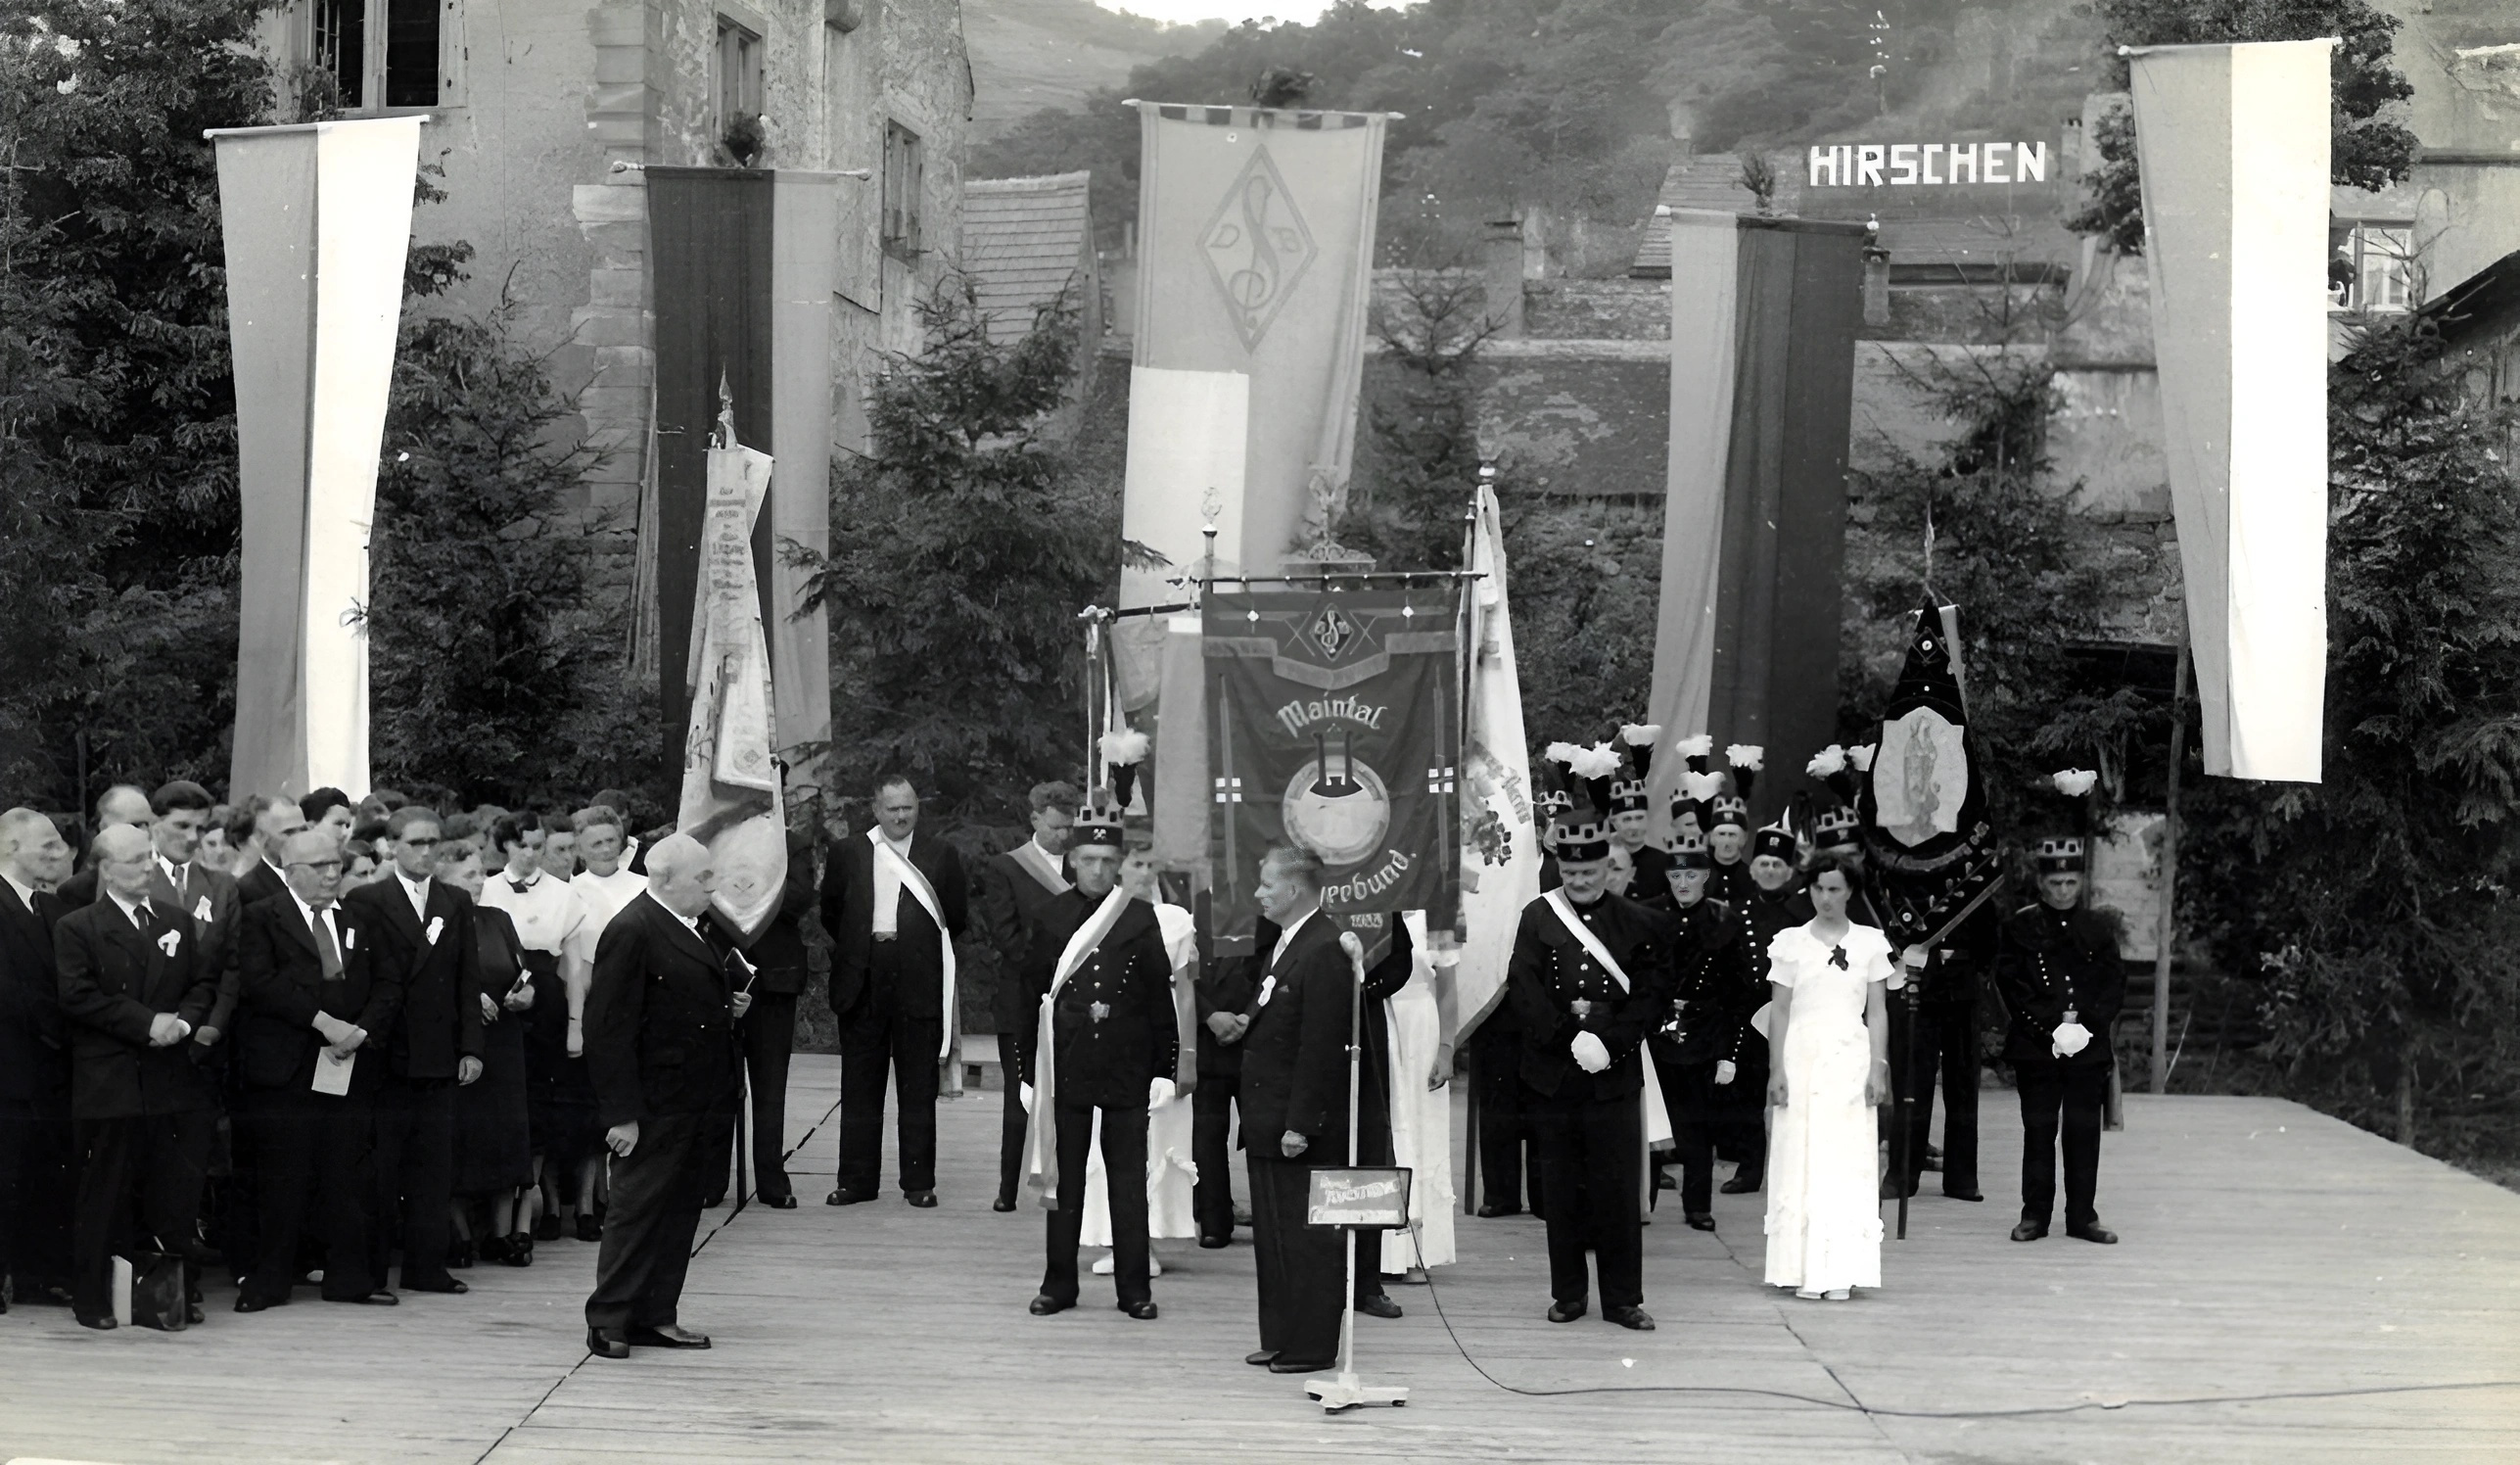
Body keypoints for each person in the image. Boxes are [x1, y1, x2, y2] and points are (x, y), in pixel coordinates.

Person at [1506, 803, 1672, 1331]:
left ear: (1606, 867)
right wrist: (1567, 1039)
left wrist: (1611, 1045)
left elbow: (1650, 996)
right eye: (1569, 871)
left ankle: (1622, 1299)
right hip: (1554, 1073)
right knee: (1561, 1189)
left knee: (1616, 1189)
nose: (1578, 881)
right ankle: (1569, 1295)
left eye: (1588, 871)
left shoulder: (1636, 921)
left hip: (1612, 1074)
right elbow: (1524, 988)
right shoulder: (1538, 916)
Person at [582, 833, 748, 1359]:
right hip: (653, 1104)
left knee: (678, 1213)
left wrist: (726, 1004)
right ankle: (609, 1319)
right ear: (665, 880)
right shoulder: (633, 929)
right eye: (703, 877)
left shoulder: (689, 926)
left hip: (695, 1100)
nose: (713, 886)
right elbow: (607, 1028)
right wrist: (621, 1114)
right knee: (636, 1210)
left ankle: (654, 1314)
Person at [54, 825, 221, 1329]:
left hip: (169, 1077)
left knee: (169, 1193)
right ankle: (92, 1298)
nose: (148, 867)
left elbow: (202, 982)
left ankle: (166, 1294)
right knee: (105, 1193)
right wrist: (146, 1023)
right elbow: (78, 996)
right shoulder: (78, 927)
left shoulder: (174, 919)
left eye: (148, 857)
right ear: (106, 868)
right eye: (135, 861)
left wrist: (184, 1023)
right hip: (112, 1081)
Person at [231, 827, 397, 1310]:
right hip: (287, 1066)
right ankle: (270, 1282)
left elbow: (388, 981)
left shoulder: (360, 917)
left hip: (349, 1061)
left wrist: (361, 1031)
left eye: (335, 865)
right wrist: (324, 1023)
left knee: (347, 1173)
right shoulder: (262, 916)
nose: (331, 874)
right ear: (291, 872)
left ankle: (349, 1279)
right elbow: (261, 983)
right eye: (319, 866)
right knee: (282, 1177)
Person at [1017, 809, 1174, 1320]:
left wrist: (1165, 1068)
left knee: (1128, 1182)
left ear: (1120, 863)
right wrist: (1026, 1072)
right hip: (1067, 1064)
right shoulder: (1050, 915)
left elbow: (1159, 997)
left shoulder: (1139, 916)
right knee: (1066, 1181)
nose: (1098, 869)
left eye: (1108, 860)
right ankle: (1059, 1284)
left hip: (1126, 1064)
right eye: (1088, 859)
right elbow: (1029, 996)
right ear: (1072, 862)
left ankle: (1135, 1290)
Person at [340, 806, 484, 1296]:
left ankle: (427, 1267)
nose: (426, 852)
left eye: (432, 843)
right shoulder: (367, 899)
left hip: (439, 1054)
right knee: (381, 1170)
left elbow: (467, 980)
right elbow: (360, 980)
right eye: (416, 843)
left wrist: (471, 1047)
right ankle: (373, 1272)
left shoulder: (454, 900)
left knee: (434, 1167)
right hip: (388, 1053)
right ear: (392, 846)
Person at [1235, 846, 1358, 1374]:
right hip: (1266, 1116)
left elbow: (1321, 1045)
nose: (1259, 893)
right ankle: (1281, 1335)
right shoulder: (1287, 942)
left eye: (1266, 884)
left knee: (1307, 1239)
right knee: (1274, 1237)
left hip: (1295, 1125)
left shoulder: (1324, 948)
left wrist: (1301, 1124)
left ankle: (1311, 1344)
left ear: (1293, 889)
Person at [820, 775, 968, 1207]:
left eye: (908, 807)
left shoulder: (940, 854)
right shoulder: (849, 852)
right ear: (875, 809)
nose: (901, 816)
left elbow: (955, 917)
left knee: (918, 1086)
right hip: (863, 978)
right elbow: (832, 912)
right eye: (893, 808)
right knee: (860, 1087)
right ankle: (857, 1182)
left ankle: (918, 1183)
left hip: (918, 980)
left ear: (917, 808)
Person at [1761, 855, 1893, 1301]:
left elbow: (1878, 1011)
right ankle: (1798, 1267)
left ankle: (1841, 1270)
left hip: (1850, 1059)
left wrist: (1879, 1066)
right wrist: (1776, 1069)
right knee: (1801, 1153)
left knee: (1845, 1157)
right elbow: (1780, 1010)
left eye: (1835, 889)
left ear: (1850, 891)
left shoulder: (1870, 943)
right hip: (1800, 1056)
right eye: (1819, 889)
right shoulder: (1790, 943)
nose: (1826, 898)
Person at [1077, 839, 1199, 1279]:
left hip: (1160, 1045)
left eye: (1152, 865)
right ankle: (1116, 1239)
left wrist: (1186, 1056)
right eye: (1136, 864)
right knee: (1106, 1144)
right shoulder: (1093, 917)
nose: (1145, 873)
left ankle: (1144, 1242)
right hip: (1108, 1045)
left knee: (1155, 1142)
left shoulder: (1175, 920)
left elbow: (1185, 991)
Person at [1997, 838, 2124, 1246]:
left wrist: (2088, 1028)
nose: (2063, 891)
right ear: (2041, 882)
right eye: (2055, 882)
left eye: (2071, 881)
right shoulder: (2020, 927)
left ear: (2082, 881)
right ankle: (2034, 1215)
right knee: (2039, 1131)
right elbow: (2012, 986)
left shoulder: (2099, 928)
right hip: (2037, 1046)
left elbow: (2113, 984)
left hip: (2088, 1046)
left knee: (2083, 1132)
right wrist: (2049, 1029)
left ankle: (2082, 1217)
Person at [482, 814, 597, 1244]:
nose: (529, 854)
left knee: (556, 1107)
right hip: (498, 1003)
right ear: (504, 847)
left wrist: (575, 1025)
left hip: (548, 1002)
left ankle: (561, 1209)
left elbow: (574, 967)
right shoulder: (487, 890)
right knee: (514, 1108)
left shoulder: (564, 894)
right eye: (521, 846)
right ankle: (512, 1217)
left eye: (536, 846)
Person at [699, 806, 818, 1210]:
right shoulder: (712, 838)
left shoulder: (792, 843)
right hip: (719, 974)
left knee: (770, 1086)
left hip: (774, 980)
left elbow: (800, 897)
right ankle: (712, 1180)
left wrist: (750, 890)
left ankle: (771, 1179)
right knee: (718, 1084)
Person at [973, 781, 1077, 1213]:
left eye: (1069, 827)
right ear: (1035, 818)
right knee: (1018, 1098)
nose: (1063, 836)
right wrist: (1051, 964)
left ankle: (1072, 1186)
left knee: (1074, 1099)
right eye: (1055, 827)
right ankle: (1007, 1189)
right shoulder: (1007, 867)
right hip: (1023, 997)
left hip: (1075, 1000)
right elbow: (1006, 934)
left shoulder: (1085, 866)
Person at [1648, 830, 1751, 1230]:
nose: (1683, 884)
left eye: (1691, 876)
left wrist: (1729, 1053)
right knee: (1651, 1122)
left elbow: (1738, 992)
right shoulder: (1648, 916)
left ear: (1705, 877)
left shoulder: (1724, 921)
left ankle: (1697, 1206)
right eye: (1676, 876)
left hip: (1704, 1033)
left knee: (1697, 1126)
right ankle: (1642, 1204)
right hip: (1655, 1032)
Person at [441, 845, 537, 1266]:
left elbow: (523, 972)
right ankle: (459, 1234)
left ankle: (501, 1234)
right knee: (462, 1137)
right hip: (459, 1041)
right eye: (469, 875)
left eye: (481, 873)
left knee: (506, 1136)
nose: (480, 881)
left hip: (505, 1041)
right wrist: (466, 996)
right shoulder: (436, 922)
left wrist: (527, 994)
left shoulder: (498, 919)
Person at [0, 807, 77, 1308]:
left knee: (42, 1174)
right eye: (47, 845)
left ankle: (37, 1275)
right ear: (11, 847)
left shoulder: (50, 908)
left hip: (50, 1071)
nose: (59, 853)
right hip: (10, 1067)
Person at [1715, 820, 1812, 1195]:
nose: (1770, 870)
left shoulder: (1802, 916)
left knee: (1796, 1092)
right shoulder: (1735, 913)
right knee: (1747, 1093)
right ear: (1753, 870)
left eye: (1777, 865)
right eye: (1764, 864)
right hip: (1748, 1015)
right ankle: (1749, 1169)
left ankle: (1795, 1171)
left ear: (1789, 872)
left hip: (1793, 1013)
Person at [236, 796, 306, 907]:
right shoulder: (248, 891)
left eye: (304, 829)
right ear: (261, 837)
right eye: (289, 832)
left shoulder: (323, 876)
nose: (300, 838)